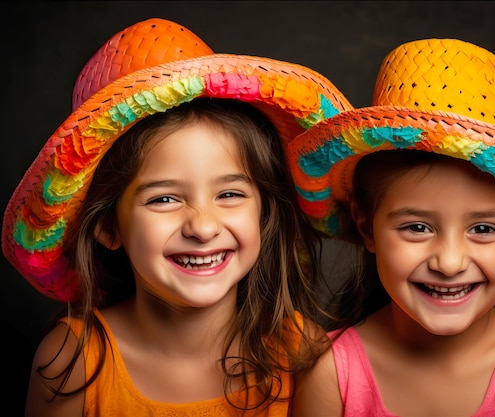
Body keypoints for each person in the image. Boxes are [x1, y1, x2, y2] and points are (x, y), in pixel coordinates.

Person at [2, 18, 353, 417]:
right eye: (164, 199)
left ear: (264, 212)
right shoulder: (71, 361)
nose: (203, 227)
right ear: (107, 226)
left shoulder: (305, 356)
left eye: (229, 194)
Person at [287, 38, 495, 416]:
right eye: (417, 228)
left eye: (482, 229)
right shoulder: (331, 372)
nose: (449, 263)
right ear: (367, 229)